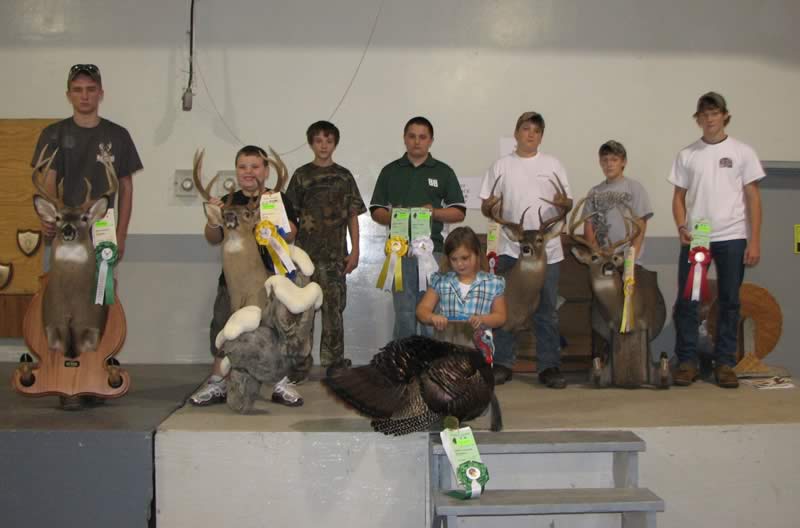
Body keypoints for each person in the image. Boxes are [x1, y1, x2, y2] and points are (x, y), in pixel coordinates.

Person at [189, 145, 303, 406]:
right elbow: (213, 237)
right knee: (224, 327)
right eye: (243, 167)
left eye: (255, 166)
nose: (249, 172)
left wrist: (275, 220)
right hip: (232, 282)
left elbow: (291, 233)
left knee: (274, 330)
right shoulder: (229, 203)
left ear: (266, 170)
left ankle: (279, 382)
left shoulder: (277, 199)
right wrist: (213, 218)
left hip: (270, 278)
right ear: (237, 171)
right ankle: (217, 382)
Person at [669, 92, 764, 389]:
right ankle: (687, 362)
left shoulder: (742, 152)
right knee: (688, 300)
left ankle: (725, 364)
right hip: (699, 235)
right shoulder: (687, 155)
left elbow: (753, 198)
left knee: (730, 301)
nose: (709, 119)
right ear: (697, 119)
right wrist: (682, 225)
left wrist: (755, 240)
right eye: (704, 114)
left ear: (724, 115)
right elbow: (678, 198)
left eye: (714, 113)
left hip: (733, 236)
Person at [479, 111, 573, 388]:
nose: (530, 134)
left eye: (536, 130)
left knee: (547, 310)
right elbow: (487, 204)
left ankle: (549, 366)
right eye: (525, 129)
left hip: (547, 250)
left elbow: (566, 201)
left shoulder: (553, 163)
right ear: (516, 132)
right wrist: (490, 207)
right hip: (511, 246)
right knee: (507, 307)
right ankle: (503, 363)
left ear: (541, 136)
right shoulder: (501, 166)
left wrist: (564, 203)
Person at [32, 64, 142, 260]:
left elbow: (126, 188)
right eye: (78, 90)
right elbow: (49, 182)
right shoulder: (53, 134)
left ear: (100, 93)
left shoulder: (118, 135)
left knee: (102, 289)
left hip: (101, 228)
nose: (84, 96)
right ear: (69, 95)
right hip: (65, 225)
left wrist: (121, 234)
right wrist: (48, 218)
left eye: (91, 89)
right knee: (57, 287)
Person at [370, 116, 466, 339]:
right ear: (404, 139)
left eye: (422, 137)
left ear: (431, 140)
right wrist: (394, 216)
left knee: (432, 313)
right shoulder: (390, 171)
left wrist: (433, 212)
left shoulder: (443, 171)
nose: (417, 142)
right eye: (412, 136)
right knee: (404, 314)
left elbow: (459, 212)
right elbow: (376, 211)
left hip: (433, 253)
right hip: (399, 253)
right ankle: (403, 367)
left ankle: (431, 366)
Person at [285, 121, 366, 372]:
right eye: (319, 140)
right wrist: (287, 252)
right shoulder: (301, 175)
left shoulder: (344, 176)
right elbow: (290, 216)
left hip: (335, 257)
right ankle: (300, 362)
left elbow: (353, 214)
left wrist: (355, 250)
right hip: (304, 257)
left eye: (328, 141)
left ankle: (333, 362)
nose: (323, 145)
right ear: (311, 143)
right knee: (302, 311)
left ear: (335, 144)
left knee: (334, 309)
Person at [416, 227, 506, 332]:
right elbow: (422, 310)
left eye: (465, 258)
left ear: (477, 254)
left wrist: (483, 319)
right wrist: (432, 318)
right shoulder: (441, 281)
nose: (459, 264)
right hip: (447, 344)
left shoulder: (494, 283)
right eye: (454, 259)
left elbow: (500, 316)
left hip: (479, 346)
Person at [583, 140, 653, 259]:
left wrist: (632, 256)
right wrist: (596, 253)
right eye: (605, 160)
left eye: (614, 160)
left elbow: (641, 224)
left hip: (627, 258)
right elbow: (588, 225)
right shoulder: (594, 192)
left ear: (623, 162)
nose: (609, 164)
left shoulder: (635, 188)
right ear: (600, 162)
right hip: (602, 258)